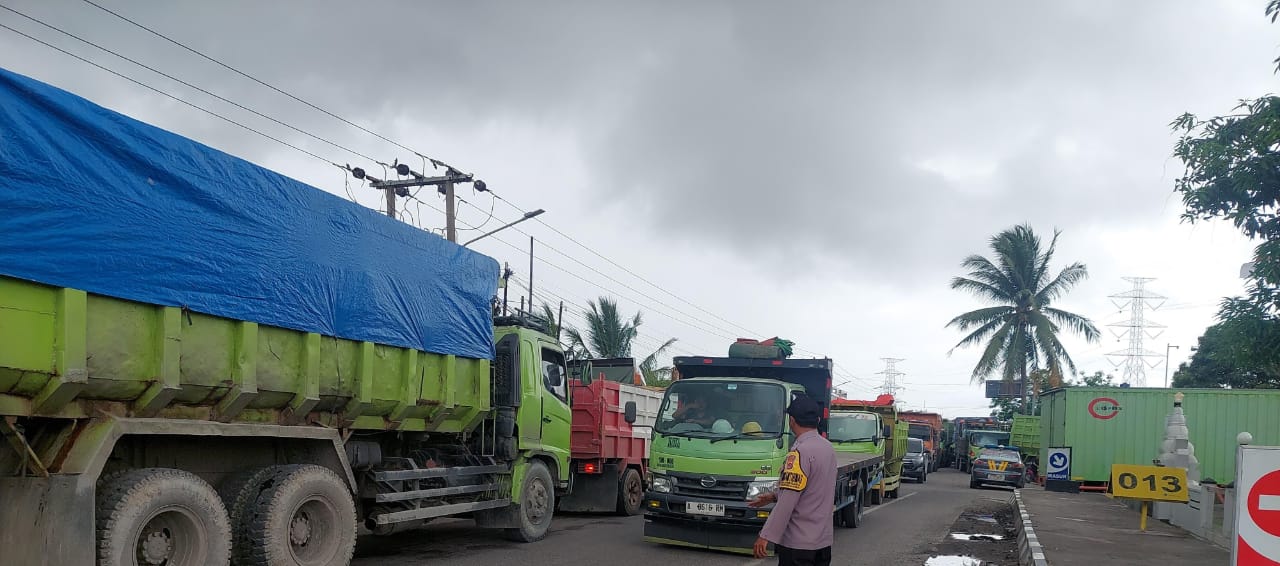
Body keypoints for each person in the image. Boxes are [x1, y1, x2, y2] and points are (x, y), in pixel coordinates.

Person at [747, 395, 836, 566]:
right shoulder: (828, 448)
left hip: (798, 545)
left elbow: (788, 501)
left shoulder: (799, 453)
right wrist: (774, 496)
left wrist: (765, 536)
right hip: (823, 543)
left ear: (792, 420)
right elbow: (813, 488)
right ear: (817, 420)